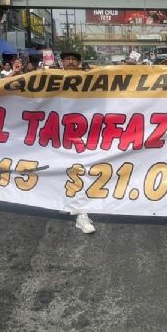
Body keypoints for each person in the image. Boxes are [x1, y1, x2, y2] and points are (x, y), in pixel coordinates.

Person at [60, 51, 96, 234]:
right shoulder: (49, 77)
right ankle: (66, 203)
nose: (71, 62)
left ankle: (82, 214)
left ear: (79, 62)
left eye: (74, 59)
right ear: (62, 62)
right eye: (67, 59)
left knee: (80, 170)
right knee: (60, 170)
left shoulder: (89, 77)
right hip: (56, 133)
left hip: (83, 132)